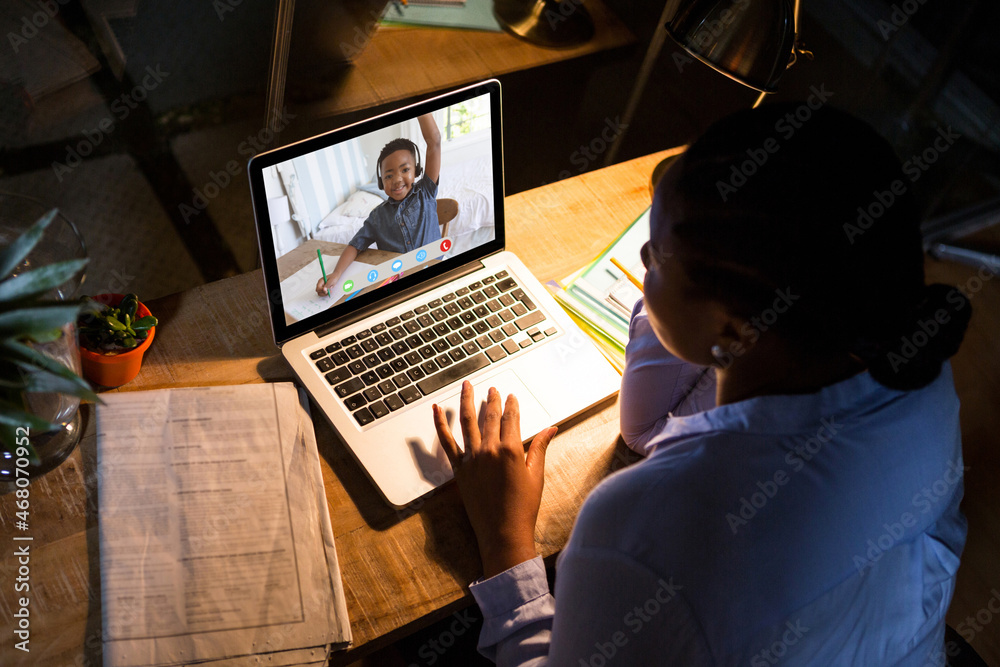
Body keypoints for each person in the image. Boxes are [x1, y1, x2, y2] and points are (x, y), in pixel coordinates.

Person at [431, 104, 972, 665]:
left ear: (734, 327)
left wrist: (506, 542)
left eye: (657, 258)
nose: (640, 259)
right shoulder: (918, 375)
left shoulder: (640, 532)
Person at [316, 113, 442, 296]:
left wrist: (421, 105)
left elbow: (435, 142)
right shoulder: (377, 217)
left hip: (436, 279)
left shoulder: (425, 192)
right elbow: (355, 245)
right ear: (381, 183)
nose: (397, 180)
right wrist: (336, 274)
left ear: (416, 171)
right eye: (389, 176)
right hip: (400, 288)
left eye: (405, 170)